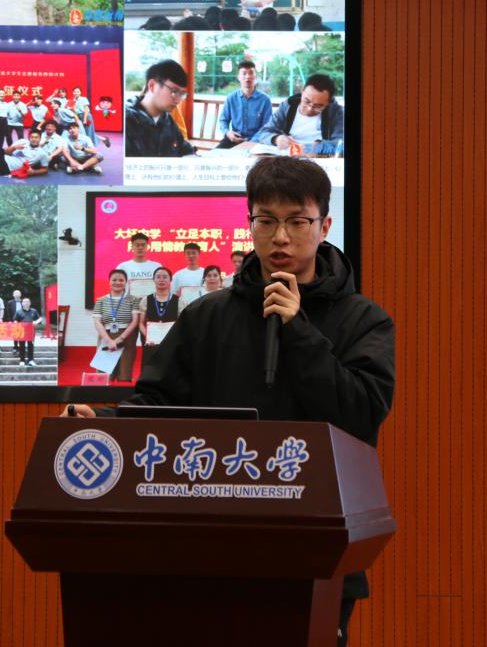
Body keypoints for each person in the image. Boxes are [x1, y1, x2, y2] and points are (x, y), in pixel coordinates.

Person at [63, 157, 395, 645]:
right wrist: (108, 419)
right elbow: (161, 404)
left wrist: (298, 331)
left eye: (297, 222)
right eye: (266, 221)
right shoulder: (206, 317)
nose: (280, 237)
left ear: (323, 226)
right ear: (250, 224)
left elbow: (361, 415)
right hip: (207, 550)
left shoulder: (364, 320)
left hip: (317, 553)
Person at [252, 74, 345, 155]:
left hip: (319, 158)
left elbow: (341, 144)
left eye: (318, 106)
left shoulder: (336, 112)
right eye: (306, 101)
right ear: (302, 91)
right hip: (287, 157)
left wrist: (317, 147)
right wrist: (276, 139)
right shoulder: (287, 106)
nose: (309, 109)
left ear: (328, 102)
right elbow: (264, 133)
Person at [124, 60, 197, 158]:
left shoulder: (168, 121)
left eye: (182, 94)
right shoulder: (127, 121)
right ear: (152, 86)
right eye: (174, 91)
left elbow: (185, 150)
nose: (178, 100)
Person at [91, 269, 138, 383]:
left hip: (127, 338)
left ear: (126, 282)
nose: (118, 282)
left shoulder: (133, 300)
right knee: (104, 375)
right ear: (109, 281)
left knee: (124, 375)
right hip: (106, 336)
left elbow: (135, 321)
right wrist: (109, 341)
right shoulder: (100, 300)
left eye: (121, 280)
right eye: (114, 280)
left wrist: (120, 339)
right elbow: (97, 322)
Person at [216, 60, 273, 149]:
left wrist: (251, 141)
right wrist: (228, 133)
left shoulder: (265, 100)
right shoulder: (231, 98)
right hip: (234, 139)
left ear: (255, 77)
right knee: (215, 154)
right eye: (244, 73)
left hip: (257, 141)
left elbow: (267, 126)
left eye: (251, 73)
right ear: (238, 77)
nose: (247, 76)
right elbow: (223, 120)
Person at [136, 266, 179, 370]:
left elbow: (181, 324)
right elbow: (140, 323)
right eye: (158, 277)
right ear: (154, 279)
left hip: (170, 344)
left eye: (165, 277)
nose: (161, 280)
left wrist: (172, 338)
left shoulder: (179, 300)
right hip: (151, 344)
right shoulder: (146, 300)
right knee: (150, 371)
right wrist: (148, 337)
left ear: (170, 280)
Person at [13, 297, 40, 367]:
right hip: (22, 331)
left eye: (27, 301)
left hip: (31, 331)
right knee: (21, 345)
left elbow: (39, 318)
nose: (26, 303)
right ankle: (22, 360)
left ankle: (31, 360)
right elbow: (15, 320)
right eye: (24, 302)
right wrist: (15, 323)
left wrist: (36, 322)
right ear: (22, 303)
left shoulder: (34, 311)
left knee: (30, 345)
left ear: (30, 303)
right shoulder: (19, 311)